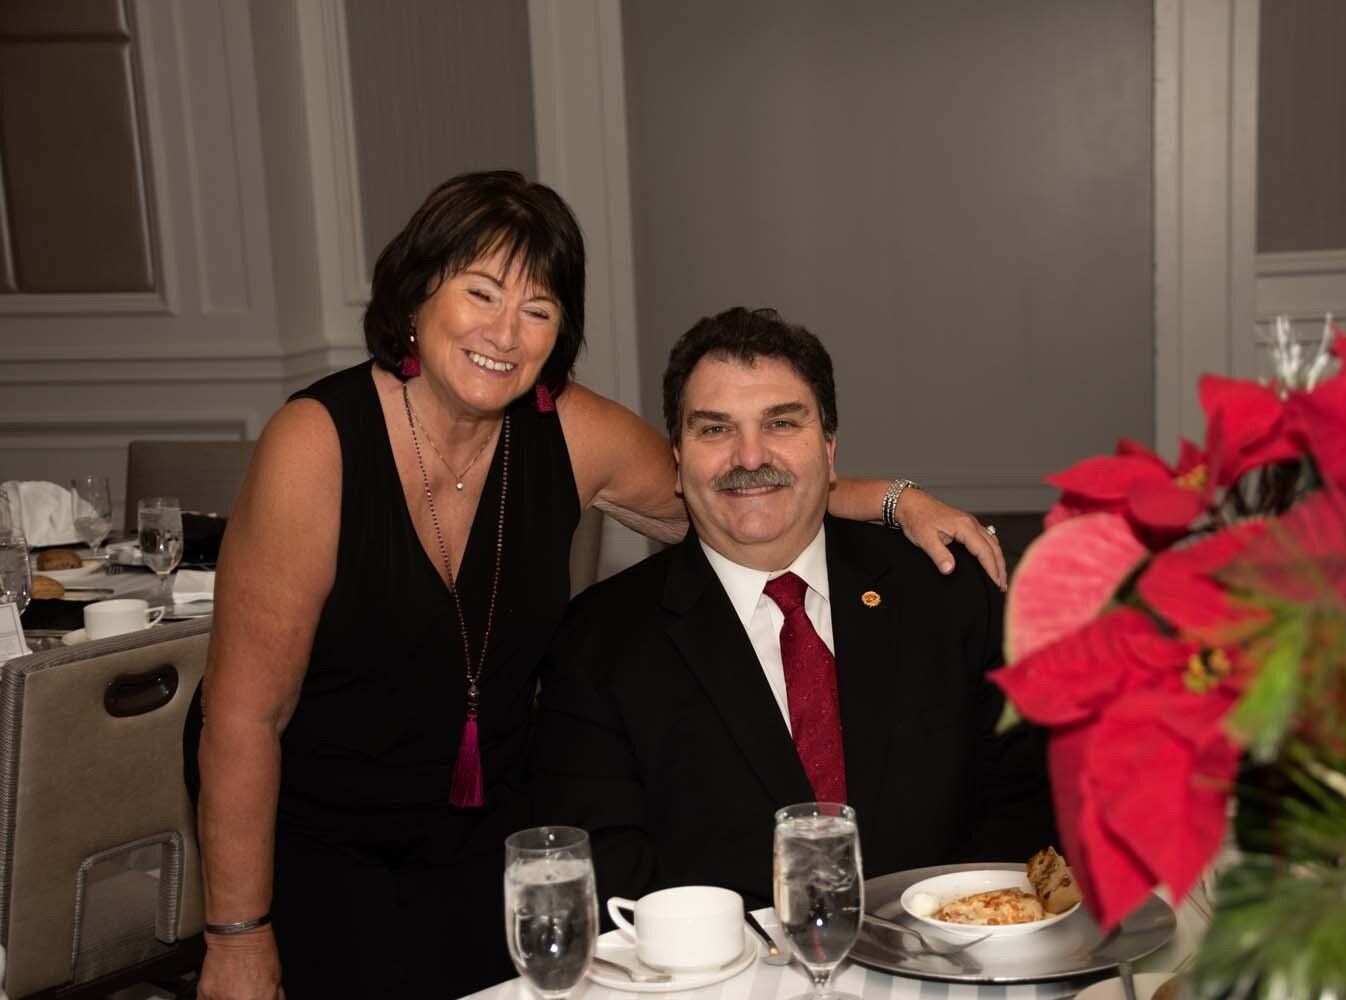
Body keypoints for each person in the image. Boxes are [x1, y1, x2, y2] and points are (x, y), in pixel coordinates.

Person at [187, 173, 1007, 999]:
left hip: (495, 846)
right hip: (334, 841)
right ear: (416, 294)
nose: (505, 333)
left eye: (538, 310)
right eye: (482, 294)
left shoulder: (569, 430)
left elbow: (736, 489)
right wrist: (237, 934)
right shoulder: (316, 446)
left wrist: (893, 501)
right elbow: (245, 716)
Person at [530, 307, 1056, 912]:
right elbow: (607, 871)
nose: (750, 457)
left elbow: (1026, 811)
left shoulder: (948, 595)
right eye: (714, 429)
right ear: (676, 459)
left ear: (829, 450)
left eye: (781, 423)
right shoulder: (599, 642)